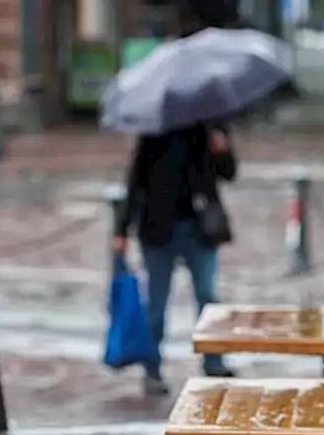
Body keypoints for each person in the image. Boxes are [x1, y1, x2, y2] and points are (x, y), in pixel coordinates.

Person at [112, 20, 238, 395]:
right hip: (159, 227)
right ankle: (153, 367)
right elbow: (134, 180)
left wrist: (222, 150)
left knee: (208, 297)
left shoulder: (212, 121)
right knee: (157, 303)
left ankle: (213, 360)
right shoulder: (156, 126)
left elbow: (229, 173)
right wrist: (121, 229)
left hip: (200, 226)